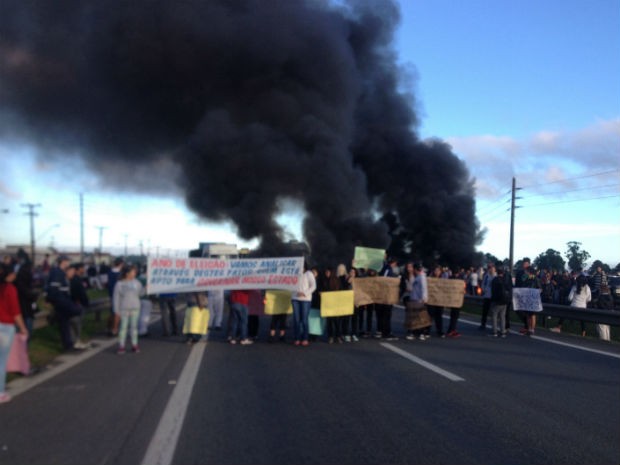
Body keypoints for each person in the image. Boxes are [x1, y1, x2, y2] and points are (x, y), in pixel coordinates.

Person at [0, 263, 30, 403]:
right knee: (1, 362)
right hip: (5, 327)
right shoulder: (10, 289)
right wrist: (23, 328)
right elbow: (15, 312)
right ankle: (0, 392)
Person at [46, 255, 79, 351]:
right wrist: (52, 300)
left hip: (64, 300)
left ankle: (68, 344)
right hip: (60, 301)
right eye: (67, 261)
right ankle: (67, 344)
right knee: (67, 320)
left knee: (65, 324)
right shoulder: (57, 273)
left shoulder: (61, 273)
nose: (68, 263)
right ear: (63, 262)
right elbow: (53, 289)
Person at [113, 264, 144, 354]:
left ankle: (134, 345)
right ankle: (121, 346)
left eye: (135, 272)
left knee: (134, 327)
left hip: (135, 308)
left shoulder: (137, 283)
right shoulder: (119, 284)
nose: (135, 273)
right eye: (133, 272)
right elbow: (116, 298)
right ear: (127, 273)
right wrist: (116, 311)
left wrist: (146, 288)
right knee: (123, 327)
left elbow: (141, 294)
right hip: (124, 309)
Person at [291, 261, 316, 347]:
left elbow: (313, 286)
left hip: (305, 299)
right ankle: (297, 338)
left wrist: (305, 293)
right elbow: (289, 283)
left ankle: (305, 338)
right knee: (296, 319)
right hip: (295, 298)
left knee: (304, 319)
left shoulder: (309, 274)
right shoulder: (293, 272)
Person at [377, 257, 399, 340]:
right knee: (386, 315)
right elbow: (385, 280)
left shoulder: (384, 268)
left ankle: (383, 331)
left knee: (384, 315)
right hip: (386, 296)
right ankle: (386, 332)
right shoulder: (387, 269)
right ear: (393, 263)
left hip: (385, 295)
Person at [69, 263, 90, 350]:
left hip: (79, 304)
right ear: (78, 269)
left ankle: (76, 340)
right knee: (76, 324)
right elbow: (77, 292)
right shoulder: (75, 280)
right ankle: (75, 341)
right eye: (83, 268)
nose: (84, 270)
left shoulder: (78, 279)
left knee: (77, 324)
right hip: (76, 304)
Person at [408, 263, 429, 340]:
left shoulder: (422, 277)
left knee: (419, 317)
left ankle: (420, 333)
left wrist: (424, 298)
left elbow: (424, 288)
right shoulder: (417, 276)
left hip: (419, 300)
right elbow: (411, 286)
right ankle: (416, 332)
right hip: (414, 298)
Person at [424, 265, 445, 338]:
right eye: (436, 270)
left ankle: (440, 331)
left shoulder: (444, 280)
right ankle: (427, 330)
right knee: (430, 316)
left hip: (439, 301)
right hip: (431, 300)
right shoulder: (429, 279)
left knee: (439, 316)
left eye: (438, 271)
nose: (437, 272)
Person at [490, 267, 509, 337]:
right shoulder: (505, 280)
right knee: (502, 317)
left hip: (496, 301)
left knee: (494, 316)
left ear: (497, 273)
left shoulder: (494, 280)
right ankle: (503, 332)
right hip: (504, 301)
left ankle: (494, 332)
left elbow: (492, 290)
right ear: (503, 273)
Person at [107, 257, 124, 336]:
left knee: (112, 312)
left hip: (111, 293)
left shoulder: (110, 272)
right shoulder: (121, 273)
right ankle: (115, 329)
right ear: (121, 264)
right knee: (118, 313)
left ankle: (110, 328)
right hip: (119, 294)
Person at [479, 263, 496, 330]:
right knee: (485, 311)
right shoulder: (486, 276)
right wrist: (484, 290)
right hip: (487, 296)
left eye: (492, 268)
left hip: (493, 296)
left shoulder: (496, 276)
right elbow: (483, 284)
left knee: (493, 312)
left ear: (494, 269)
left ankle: (494, 326)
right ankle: (483, 324)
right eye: (489, 268)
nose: (491, 269)